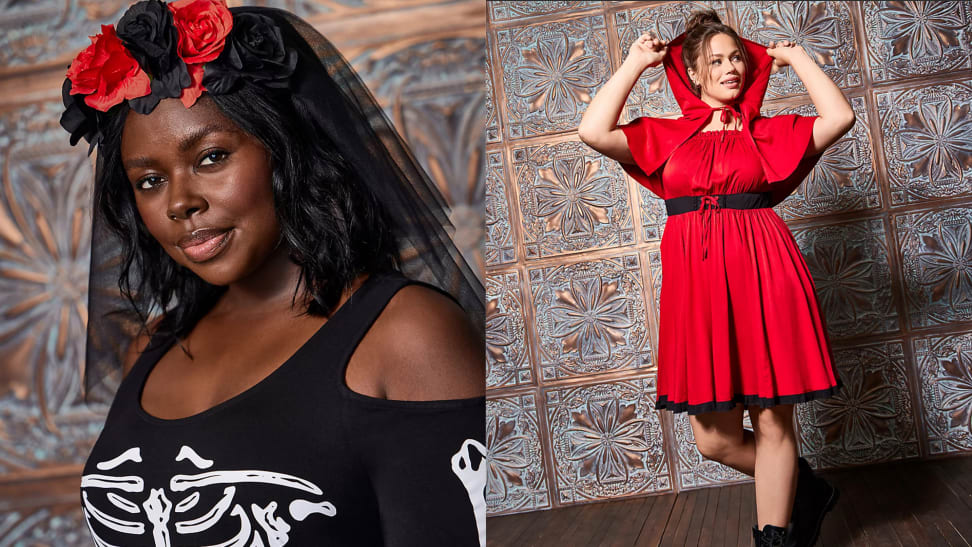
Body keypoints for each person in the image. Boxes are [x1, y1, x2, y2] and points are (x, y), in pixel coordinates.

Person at [60, 1, 486, 545]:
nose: (179, 203)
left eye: (211, 157)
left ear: (287, 152)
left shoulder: (405, 336)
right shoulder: (150, 346)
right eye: (149, 181)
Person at [578, 9, 852, 547]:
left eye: (738, 60)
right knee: (714, 440)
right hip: (698, 288)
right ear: (694, 74)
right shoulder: (664, 135)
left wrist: (796, 57)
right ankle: (805, 490)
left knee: (773, 422)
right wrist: (635, 63)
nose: (732, 69)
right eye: (717, 61)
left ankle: (773, 537)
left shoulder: (768, 133)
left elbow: (838, 117)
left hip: (764, 273)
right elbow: (592, 129)